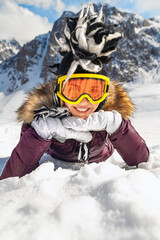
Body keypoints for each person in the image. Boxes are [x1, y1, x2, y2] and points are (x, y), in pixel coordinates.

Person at [0, 4, 149, 180]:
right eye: (73, 90)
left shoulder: (108, 117)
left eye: (94, 91)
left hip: (103, 163)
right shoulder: (41, 121)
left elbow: (142, 161)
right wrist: (40, 134)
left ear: (103, 95)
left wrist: (118, 127)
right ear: (59, 93)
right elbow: (12, 176)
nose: (84, 101)